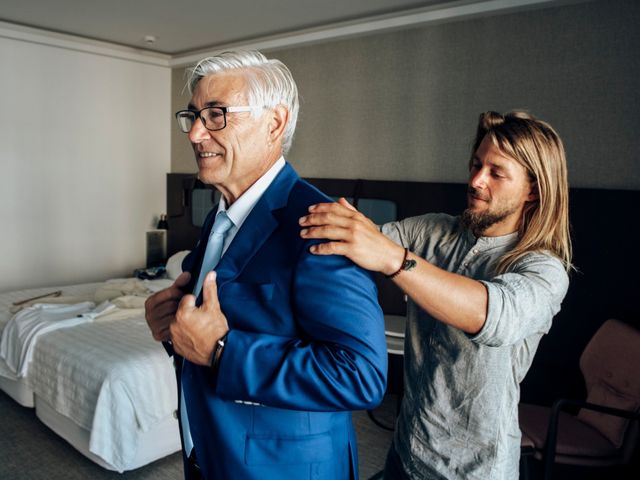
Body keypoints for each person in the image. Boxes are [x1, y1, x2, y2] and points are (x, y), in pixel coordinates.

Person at [144, 50, 387, 480]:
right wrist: (174, 327)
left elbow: (360, 374)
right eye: (194, 115)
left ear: (274, 122)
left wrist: (222, 351)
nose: (196, 133)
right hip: (210, 456)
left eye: (216, 115)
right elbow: (209, 326)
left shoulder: (317, 221)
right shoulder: (219, 214)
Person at [299, 111, 572, 479]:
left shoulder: (543, 269)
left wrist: (392, 259)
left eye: (496, 172)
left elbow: (490, 314)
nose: (476, 180)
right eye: (476, 164)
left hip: (473, 472)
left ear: (533, 189)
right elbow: (361, 246)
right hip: (406, 450)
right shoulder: (433, 230)